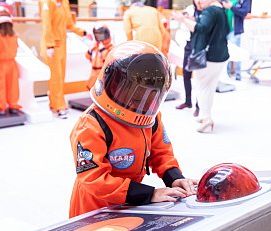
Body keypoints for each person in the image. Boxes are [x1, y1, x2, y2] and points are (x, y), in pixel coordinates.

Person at [69, 41, 197, 217]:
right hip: (94, 207)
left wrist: (175, 178)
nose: (143, 104)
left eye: (151, 98)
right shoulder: (91, 124)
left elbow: (161, 153)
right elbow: (94, 179)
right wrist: (149, 194)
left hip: (130, 202)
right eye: (137, 98)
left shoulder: (150, 119)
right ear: (112, 84)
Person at [172, 0, 230, 133]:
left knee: (202, 87)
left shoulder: (210, 10)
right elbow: (226, 29)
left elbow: (201, 29)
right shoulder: (221, 9)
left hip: (208, 57)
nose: (199, 1)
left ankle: (206, 119)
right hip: (220, 55)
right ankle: (205, 115)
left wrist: (183, 20)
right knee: (209, 87)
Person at [39, 0, 87, 119]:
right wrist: (49, 45)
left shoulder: (64, 2)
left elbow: (69, 24)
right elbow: (47, 24)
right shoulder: (47, 2)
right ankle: (60, 106)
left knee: (60, 77)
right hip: (52, 46)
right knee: (56, 78)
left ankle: (53, 103)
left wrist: (82, 32)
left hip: (62, 45)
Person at [175, 0, 202, 116]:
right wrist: (186, 19)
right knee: (186, 74)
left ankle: (199, 106)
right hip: (188, 44)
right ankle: (188, 101)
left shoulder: (206, 11)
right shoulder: (190, 8)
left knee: (199, 77)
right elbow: (183, 25)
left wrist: (191, 20)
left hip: (199, 45)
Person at [223, 0, 250, 81]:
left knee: (236, 53)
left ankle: (238, 75)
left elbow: (243, 13)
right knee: (225, 53)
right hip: (223, 30)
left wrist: (232, 7)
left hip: (234, 31)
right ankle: (226, 75)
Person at [85, 23, 114, 90]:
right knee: (92, 89)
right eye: (97, 35)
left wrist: (102, 49)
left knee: (101, 90)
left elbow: (108, 58)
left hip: (103, 73)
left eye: (101, 35)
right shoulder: (95, 46)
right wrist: (90, 50)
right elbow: (87, 56)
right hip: (94, 72)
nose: (99, 37)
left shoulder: (110, 47)